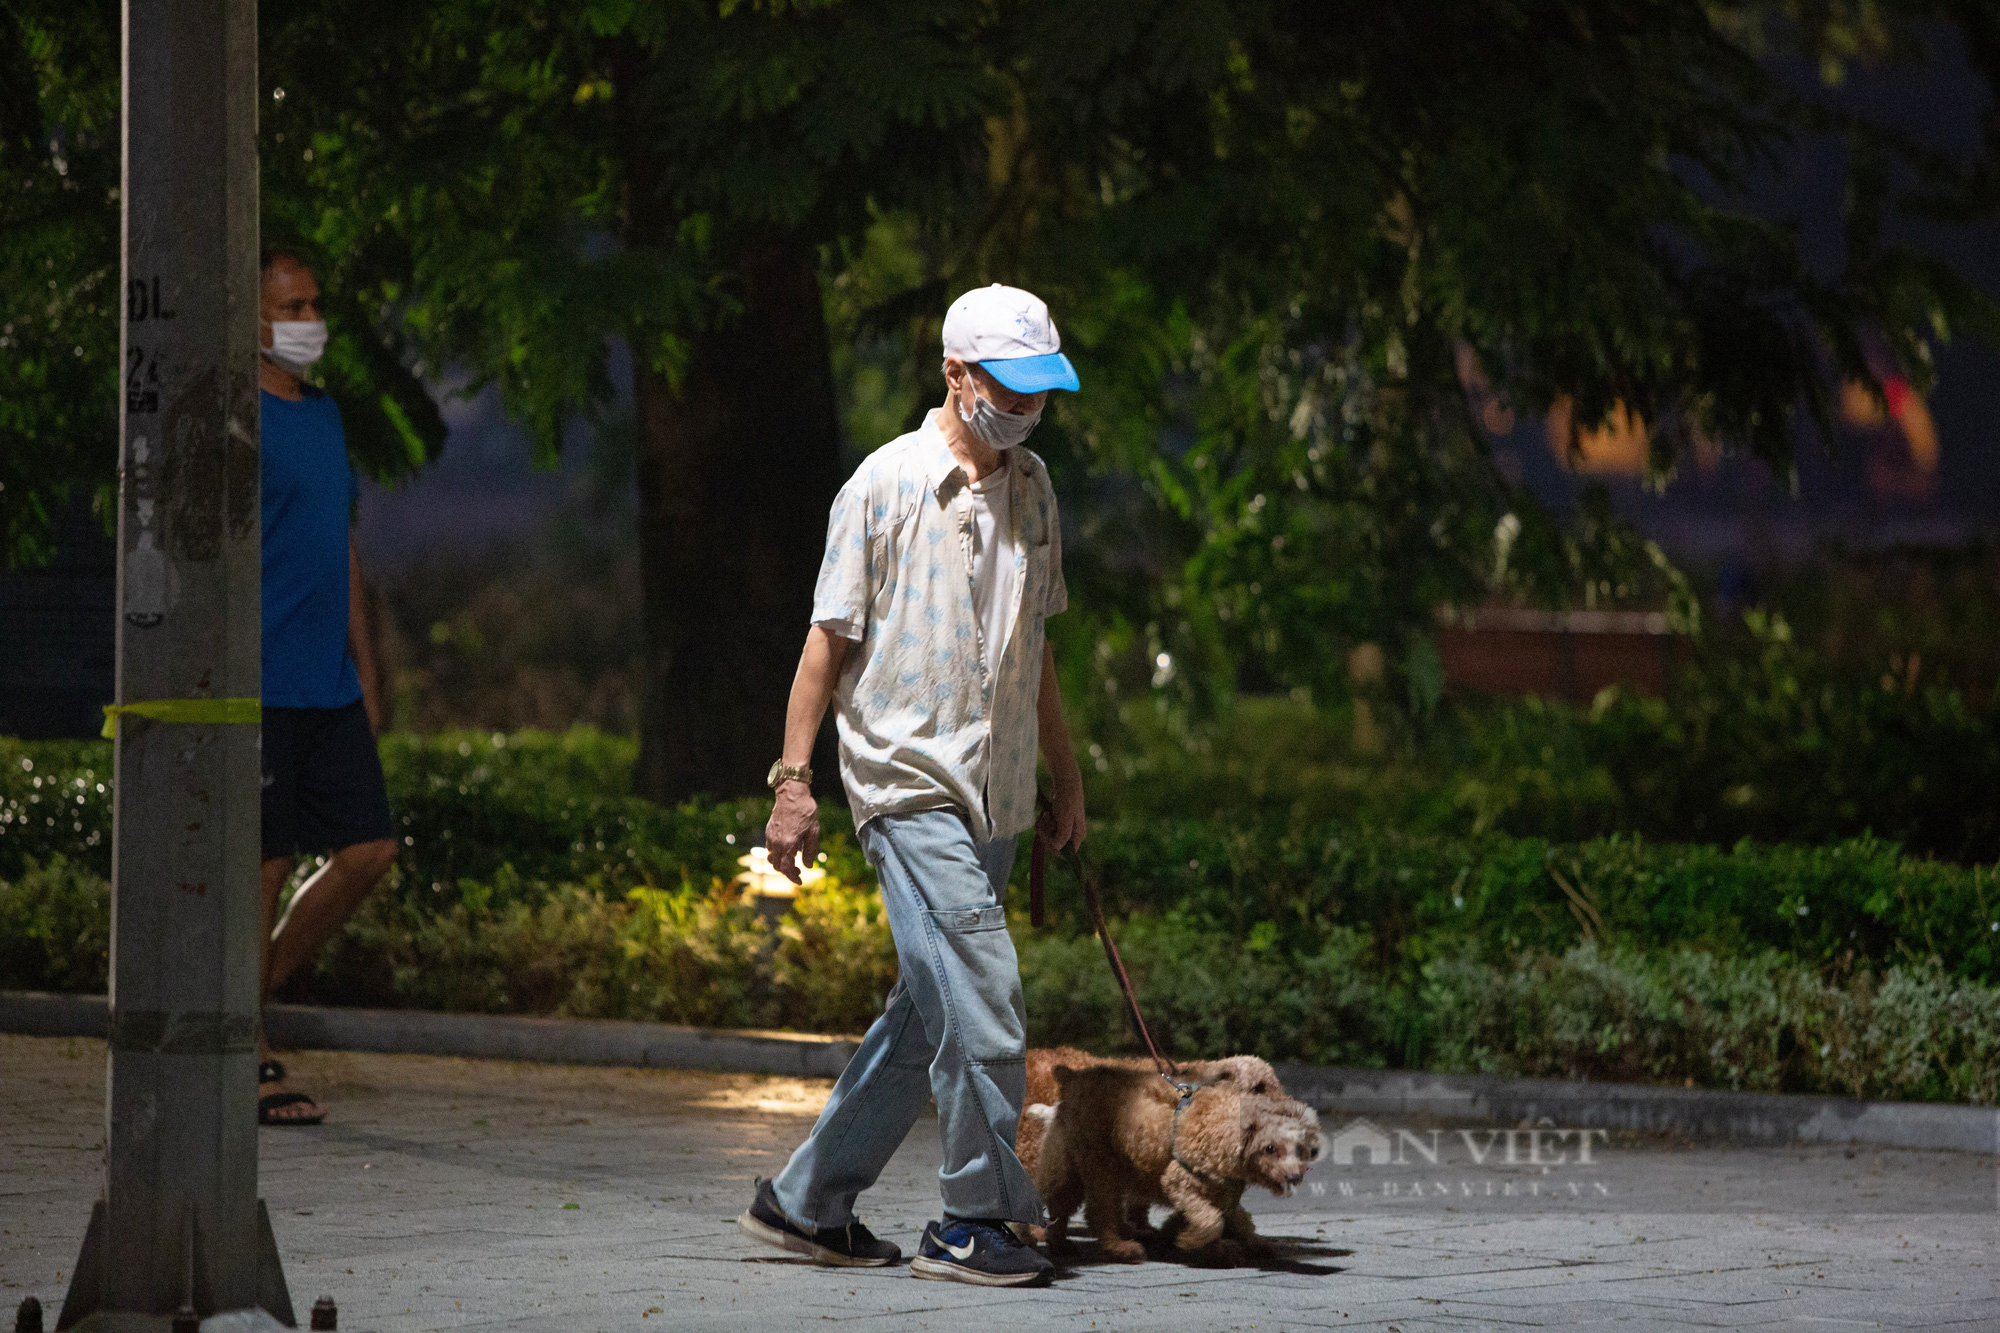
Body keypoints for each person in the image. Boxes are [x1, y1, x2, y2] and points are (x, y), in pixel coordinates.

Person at [738, 284, 1090, 1287]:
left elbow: (1038, 650)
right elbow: (824, 644)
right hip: (905, 784)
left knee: (922, 1010)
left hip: (997, 793)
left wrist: (1065, 777)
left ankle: (804, 1203)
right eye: (1008, 388)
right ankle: (970, 1217)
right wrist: (792, 784)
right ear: (954, 372)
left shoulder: (1035, 489)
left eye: (1040, 391)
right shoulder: (882, 486)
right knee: (982, 996)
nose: (1025, 408)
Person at [252, 249, 398, 1126]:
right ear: (254, 319)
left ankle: (236, 1008)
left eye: (314, 301)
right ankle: (251, 1049)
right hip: (257, 683)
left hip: (329, 681)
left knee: (369, 849)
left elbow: (340, 549)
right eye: (290, 305)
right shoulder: (236, 419)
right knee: (264, 864)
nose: (310, 318)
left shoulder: (327, 415)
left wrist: (368, 672)